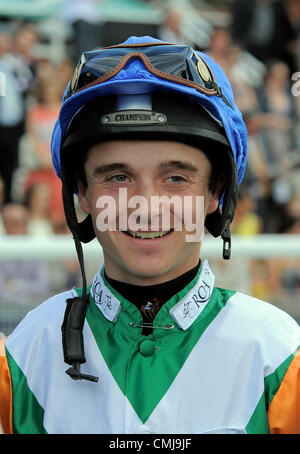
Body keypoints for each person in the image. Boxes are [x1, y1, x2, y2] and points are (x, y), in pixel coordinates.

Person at [0, 35, 299, 435]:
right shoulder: (22, 357)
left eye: (176, 177)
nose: (146, 204)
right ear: (82, 193)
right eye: (118, 176)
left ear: (215, 193)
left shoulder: (280, 358)